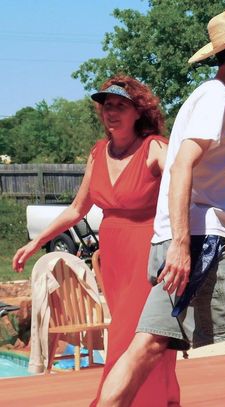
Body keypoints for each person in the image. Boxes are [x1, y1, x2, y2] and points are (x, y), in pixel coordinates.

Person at [96, 6, 225, 407]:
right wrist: (182, 246)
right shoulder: (217, 99)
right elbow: (181, 166)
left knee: (146, 347)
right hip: (198, 242)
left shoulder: (220, 99)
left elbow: (208, 179)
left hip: (187, 239)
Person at [12, 75, 180, 406]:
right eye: (106, 106)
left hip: (150, 254)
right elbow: (77, 208)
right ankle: (162, 400)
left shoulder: (155, 147)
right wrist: (35, 242)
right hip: (116, 257)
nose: (111, 112)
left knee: (131, 337)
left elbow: (186, 185)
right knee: (141, 336)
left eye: (120, 105)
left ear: (138, 112)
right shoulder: (98, 152)